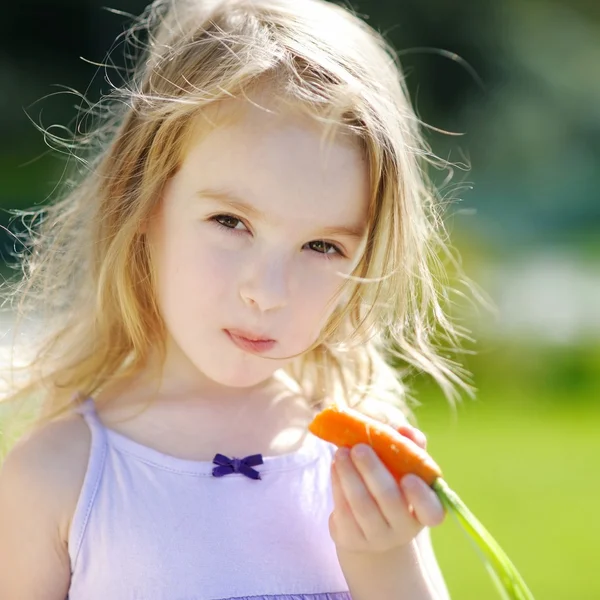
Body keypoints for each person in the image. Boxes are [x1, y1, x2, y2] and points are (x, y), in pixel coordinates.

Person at [0, 0, 477, 598]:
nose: (266, 292)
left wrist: (384, 557)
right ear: (145, 199)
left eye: (323, 246)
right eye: (230, 222)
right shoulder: (58, 475)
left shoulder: (360, 463)